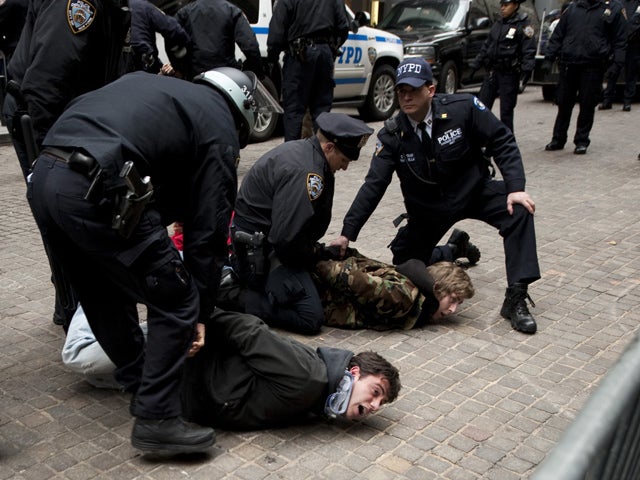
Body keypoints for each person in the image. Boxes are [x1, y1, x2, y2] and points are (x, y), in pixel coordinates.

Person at [27, 67, 280, 453]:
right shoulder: (218, 124)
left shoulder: (163, 91)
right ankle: (157, 418)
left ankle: (142, 388)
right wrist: (200, 309)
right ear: (241, 106)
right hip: (97, 185)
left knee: (101, 292)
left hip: (45, 178)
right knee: (177, 296)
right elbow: (208, 231)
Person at [331, 57, 541, 334]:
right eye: (401, 91)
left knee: (520, 210)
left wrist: (515, 187)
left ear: (430, 90)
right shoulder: (392, 135)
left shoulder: (463, 108)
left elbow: (501, 139)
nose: (406, 97)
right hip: (429, 208)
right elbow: (374, 185)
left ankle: (516, 297)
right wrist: (348, 232)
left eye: (413, 90)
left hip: (473, 191)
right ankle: (453, 250)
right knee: (404, 261)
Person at [2, 0, 131, 329]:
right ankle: (77, 312)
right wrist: (48, 156)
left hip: (65, 115)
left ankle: (74, 304)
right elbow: (49, 78)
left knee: (67, 213)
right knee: (66, 213)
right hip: (48, 120)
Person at [60, 307, 401, 429]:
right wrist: (195, 322)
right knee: (81, 358)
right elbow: (247, 329)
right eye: (376, 393)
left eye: (379, 405)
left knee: (105, 380)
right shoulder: (308, 376)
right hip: (181, 356)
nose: (373, 406)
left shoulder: (317, 399)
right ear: (354, 372)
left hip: (176, 386)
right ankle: (92, 296)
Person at [231, 112, 374, 336]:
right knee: (310, 317)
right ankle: (237, 297)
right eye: (344, 160)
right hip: (261, 254)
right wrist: (317, 253)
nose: (345, 168)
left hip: (268, 244)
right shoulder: (308, 172)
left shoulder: (308, 153)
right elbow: (285, 240)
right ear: (328, 147)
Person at [313, 247, 475, 330]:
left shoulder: (416, 293)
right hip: (314, 292)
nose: (453, 310)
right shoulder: (404, 296)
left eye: (458, 303)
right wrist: (309, 261)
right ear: (438, 288)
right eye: (452, 299)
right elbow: (344, 275)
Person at [542, 0, 626, 155]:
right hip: (569, 64)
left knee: (587, 104)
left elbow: (620, 40)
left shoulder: (611, 9)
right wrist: (549, 57)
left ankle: (581, 140)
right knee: (563, 103)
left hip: (593, 65)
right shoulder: (573, 8)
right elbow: (558, 34)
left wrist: (616, 64)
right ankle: (558, 139)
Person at [267, 0, 349, 141]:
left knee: (294, 111)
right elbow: (343, 27)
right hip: (324, 54)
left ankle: (292, 157)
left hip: (299, 56)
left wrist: (272, 59)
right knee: (322, 111)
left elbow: (277, 30)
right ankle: (321, 156)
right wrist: (331, 47)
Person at [469, 0, 536, 133]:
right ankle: (483, 140)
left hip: (509, 73)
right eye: (502, 5)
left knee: (506, 111)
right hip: (493, 72)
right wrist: (476, 63)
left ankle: (506, 143)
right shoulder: (498, 24)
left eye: (506, 5)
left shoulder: (523, 25)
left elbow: (528, 49)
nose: (503, 8)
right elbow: (487, 46)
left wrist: (527, 69)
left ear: (515, 6)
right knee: (482, 107)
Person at [174, 0, 264, 80]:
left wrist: (180, 68)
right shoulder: (232, 10)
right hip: (226, 75)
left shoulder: (184, 13)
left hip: (195, 74)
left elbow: (172, 40)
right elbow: (250, 45)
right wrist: (258, 72)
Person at [128, 0, 190, 74]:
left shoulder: (113, 10)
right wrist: (176, 64)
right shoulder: (143, 6)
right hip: (143, 66)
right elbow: (173, 29)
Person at [600, 0, 640, 111]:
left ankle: (627, 101)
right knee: (613, 72)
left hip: (634, 44)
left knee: (631, 74)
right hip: (617, 43)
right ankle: (607, 100)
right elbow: (608, 19)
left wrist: (630, 34)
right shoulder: (616, 3)